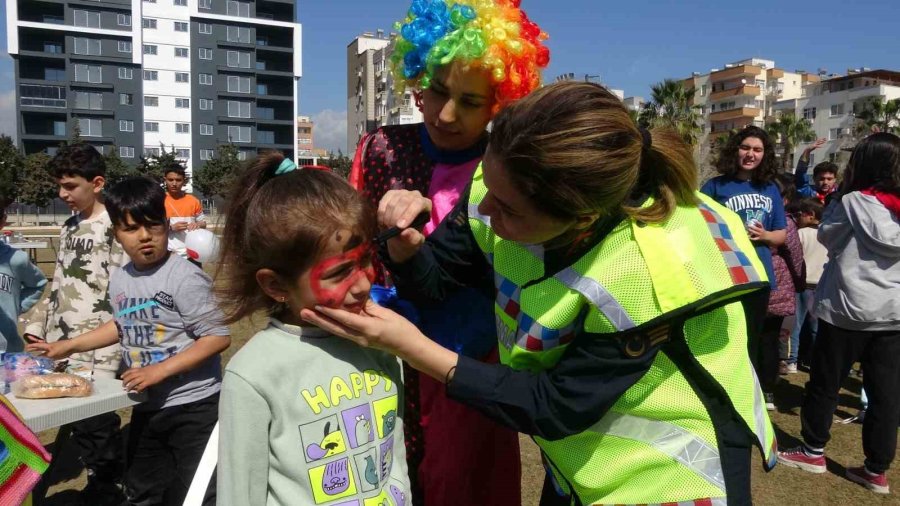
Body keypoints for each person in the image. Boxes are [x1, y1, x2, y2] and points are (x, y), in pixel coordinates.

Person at [305, 82, 777, 505]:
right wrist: (410, 253)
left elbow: (554, 404)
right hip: (579, 465)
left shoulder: (646, 271)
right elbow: (438, 282)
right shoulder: (504, 182)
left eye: (507, 208)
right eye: (486, 184)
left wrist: (410, 346)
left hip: (672, 479)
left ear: (582, 219)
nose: (486, 210)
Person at [348, 1, 549, 504]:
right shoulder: (381, 149)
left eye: (470, 100)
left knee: (459, 485)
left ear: (499, 103)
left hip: (465, 360)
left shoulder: (505, 167)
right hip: (379, 350)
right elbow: (351, 245)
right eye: (436, 90)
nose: (445, 113)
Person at [214, 153, 411, 506]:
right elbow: (239, 492)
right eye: (338, 274)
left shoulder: (379, 339)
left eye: (366, 261)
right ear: (275, 285)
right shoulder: (254, 373)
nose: (364, 285)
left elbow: (393, 456)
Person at [29, 176, 231, 505]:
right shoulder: (122, 278)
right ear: (116, 234)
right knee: (142, 487)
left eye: (153, 225)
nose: (145, 237)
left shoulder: (184, 276)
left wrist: (159, 371)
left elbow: (216, 337)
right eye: (131, 229)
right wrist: (66, 346)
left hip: (195, 407)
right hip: (148, 405)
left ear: (167, 225)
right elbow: (122, 325)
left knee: (199, 492)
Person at [777, 132, 900, 495]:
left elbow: (828, 237)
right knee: (885, 395)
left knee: (825, 384)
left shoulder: (850, 202)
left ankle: (813, 450)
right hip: (893, 313)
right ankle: (876, 470)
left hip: (846, 308)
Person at [21, 143, 127, 502]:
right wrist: (37, 322)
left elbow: (124, 289)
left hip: (98, 344)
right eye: (60, 186)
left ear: (97, 183)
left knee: (97, 419)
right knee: (74, 418)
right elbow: (60, 282)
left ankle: (108, 485)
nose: (62, 194)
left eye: (70, 186)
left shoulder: (116, 225)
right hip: (60, 342)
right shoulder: (68, 226)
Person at [701, 126, 787, 410]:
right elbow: (698, 228)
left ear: (765, 155)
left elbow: (781, 235)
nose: (750, 154)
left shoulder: (770, 189)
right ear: (735, 149)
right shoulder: (715, 186)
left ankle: (744, 394)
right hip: (724, 275)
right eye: (745, 147)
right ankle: (716, 389)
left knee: (751, 339)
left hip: (757, 276)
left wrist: (764, 236)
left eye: (758, 149)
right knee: (720, 336)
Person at [767, 175, 804, 382]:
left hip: (758, 281)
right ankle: (769, 387)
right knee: (771, 339)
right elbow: (795, 255)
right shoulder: (785, 222)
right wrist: (798, 280)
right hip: (778, 283)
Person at [0, 200, 47, 352]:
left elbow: (37, 284)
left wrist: (17, 307)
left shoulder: (16, 259)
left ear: (2, 222)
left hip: (6, 350)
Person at [786, 197, 825, 372]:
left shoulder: (801, 233)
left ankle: (792, 360)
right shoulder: (827, 233)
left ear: (810, 215)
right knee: (816, 327)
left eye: (799, 215)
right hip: (821, 285)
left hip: (802, 284)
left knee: (796, 325)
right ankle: (815, 360)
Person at [163, 164, 207, 265]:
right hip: (168, 254)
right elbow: (152, 228)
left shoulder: (193, 201)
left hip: (192, 254)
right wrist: (171, 227)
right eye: (170, 179)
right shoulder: (158, 200)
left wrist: (198, 225)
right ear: (165, 179)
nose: (174, 183)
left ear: (184, 180)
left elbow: (204, 223)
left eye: (178, 180)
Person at [794, 138, 838, 204]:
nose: (825, 182)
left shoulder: (841, 196)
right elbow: (800, 174)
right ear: (814, 178)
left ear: (835, 179)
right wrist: (807, 151)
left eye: (829, 179)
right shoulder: (809, 194)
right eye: (821, 179)